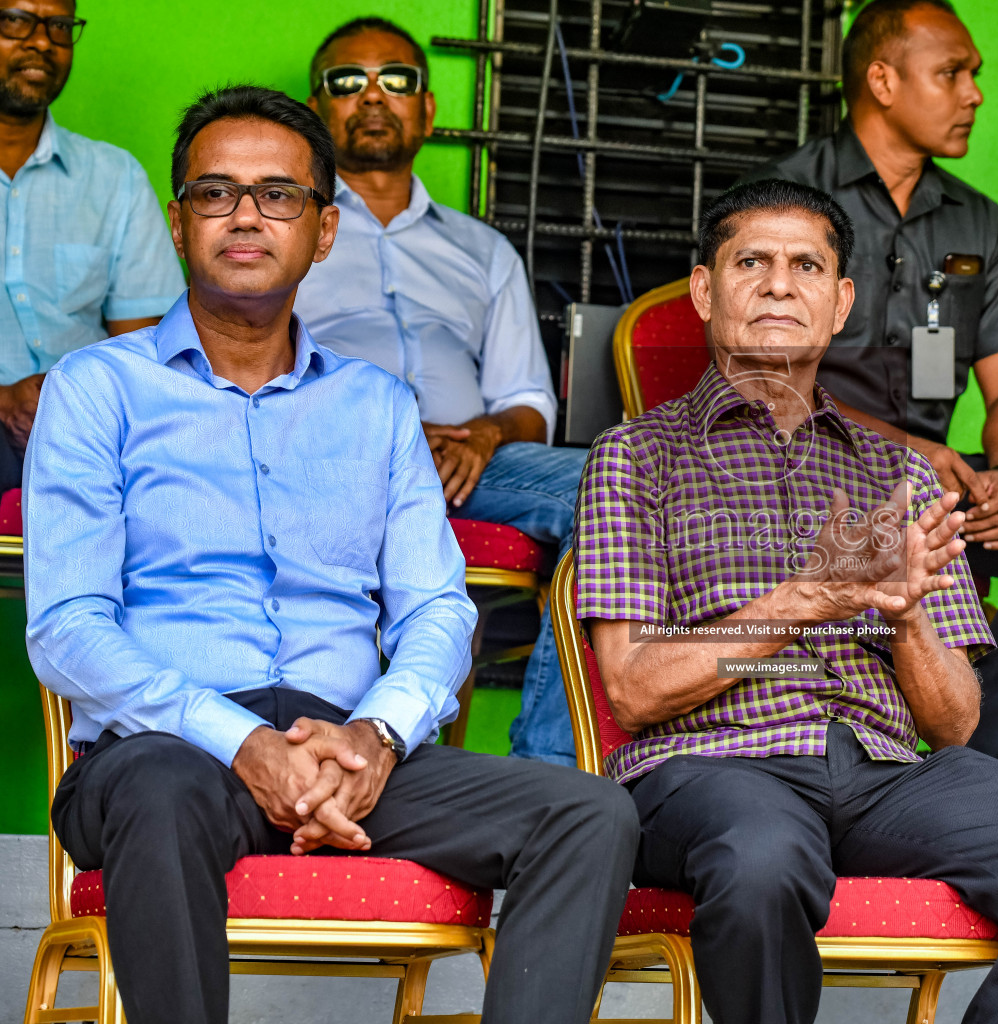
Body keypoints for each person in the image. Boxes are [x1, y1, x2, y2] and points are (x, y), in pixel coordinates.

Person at [24, 85, 638, 1024]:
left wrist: (376, 736)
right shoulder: (97, 389)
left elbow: (437, 607)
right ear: (179, 221)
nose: (244, 216)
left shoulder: (377, 405)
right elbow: (67, 627)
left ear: (323, 232)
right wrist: (244, 743)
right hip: (169, 743)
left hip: (348, 746)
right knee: (160, 789)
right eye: (215, 192)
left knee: (588, 813)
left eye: (278, 195)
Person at [575, 177, 998, 1024]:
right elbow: (633, 687)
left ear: (840, 301)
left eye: (807, 266)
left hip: (888, 776)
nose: (781, 284)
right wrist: (805, 604)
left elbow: (956, 723)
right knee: (763, 858)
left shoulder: (901, 476)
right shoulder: (636, 458)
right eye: (752, 262)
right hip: (717, 769)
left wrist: (905, 609)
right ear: (707, 290)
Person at [744, 0, 998, 757]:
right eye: (952, 73)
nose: (974, 92)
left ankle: (968, 752)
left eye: (974, 75)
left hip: (928, 488)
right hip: (797, 477)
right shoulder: (784, 201)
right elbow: (755, 381)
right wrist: (898, 448)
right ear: (882, 80)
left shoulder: (977, 223)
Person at [294, 17, 586, 765]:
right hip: (332, 456)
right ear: (316, 108)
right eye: (346, 81)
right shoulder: (287, 229)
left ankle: (545, 773)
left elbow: (530, 404)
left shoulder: (483, 250)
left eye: (396, 80)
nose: (372, 96)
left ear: (427, 110)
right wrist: (387, 426)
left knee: (614, 481)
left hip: (467, 464)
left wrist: (486, 435)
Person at [0, 0, 183, 491]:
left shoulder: (114, 177)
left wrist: (72, 402)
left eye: (59, 25)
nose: (42, 41)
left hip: (92, 429)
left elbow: (143, 349)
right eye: (16, 20)